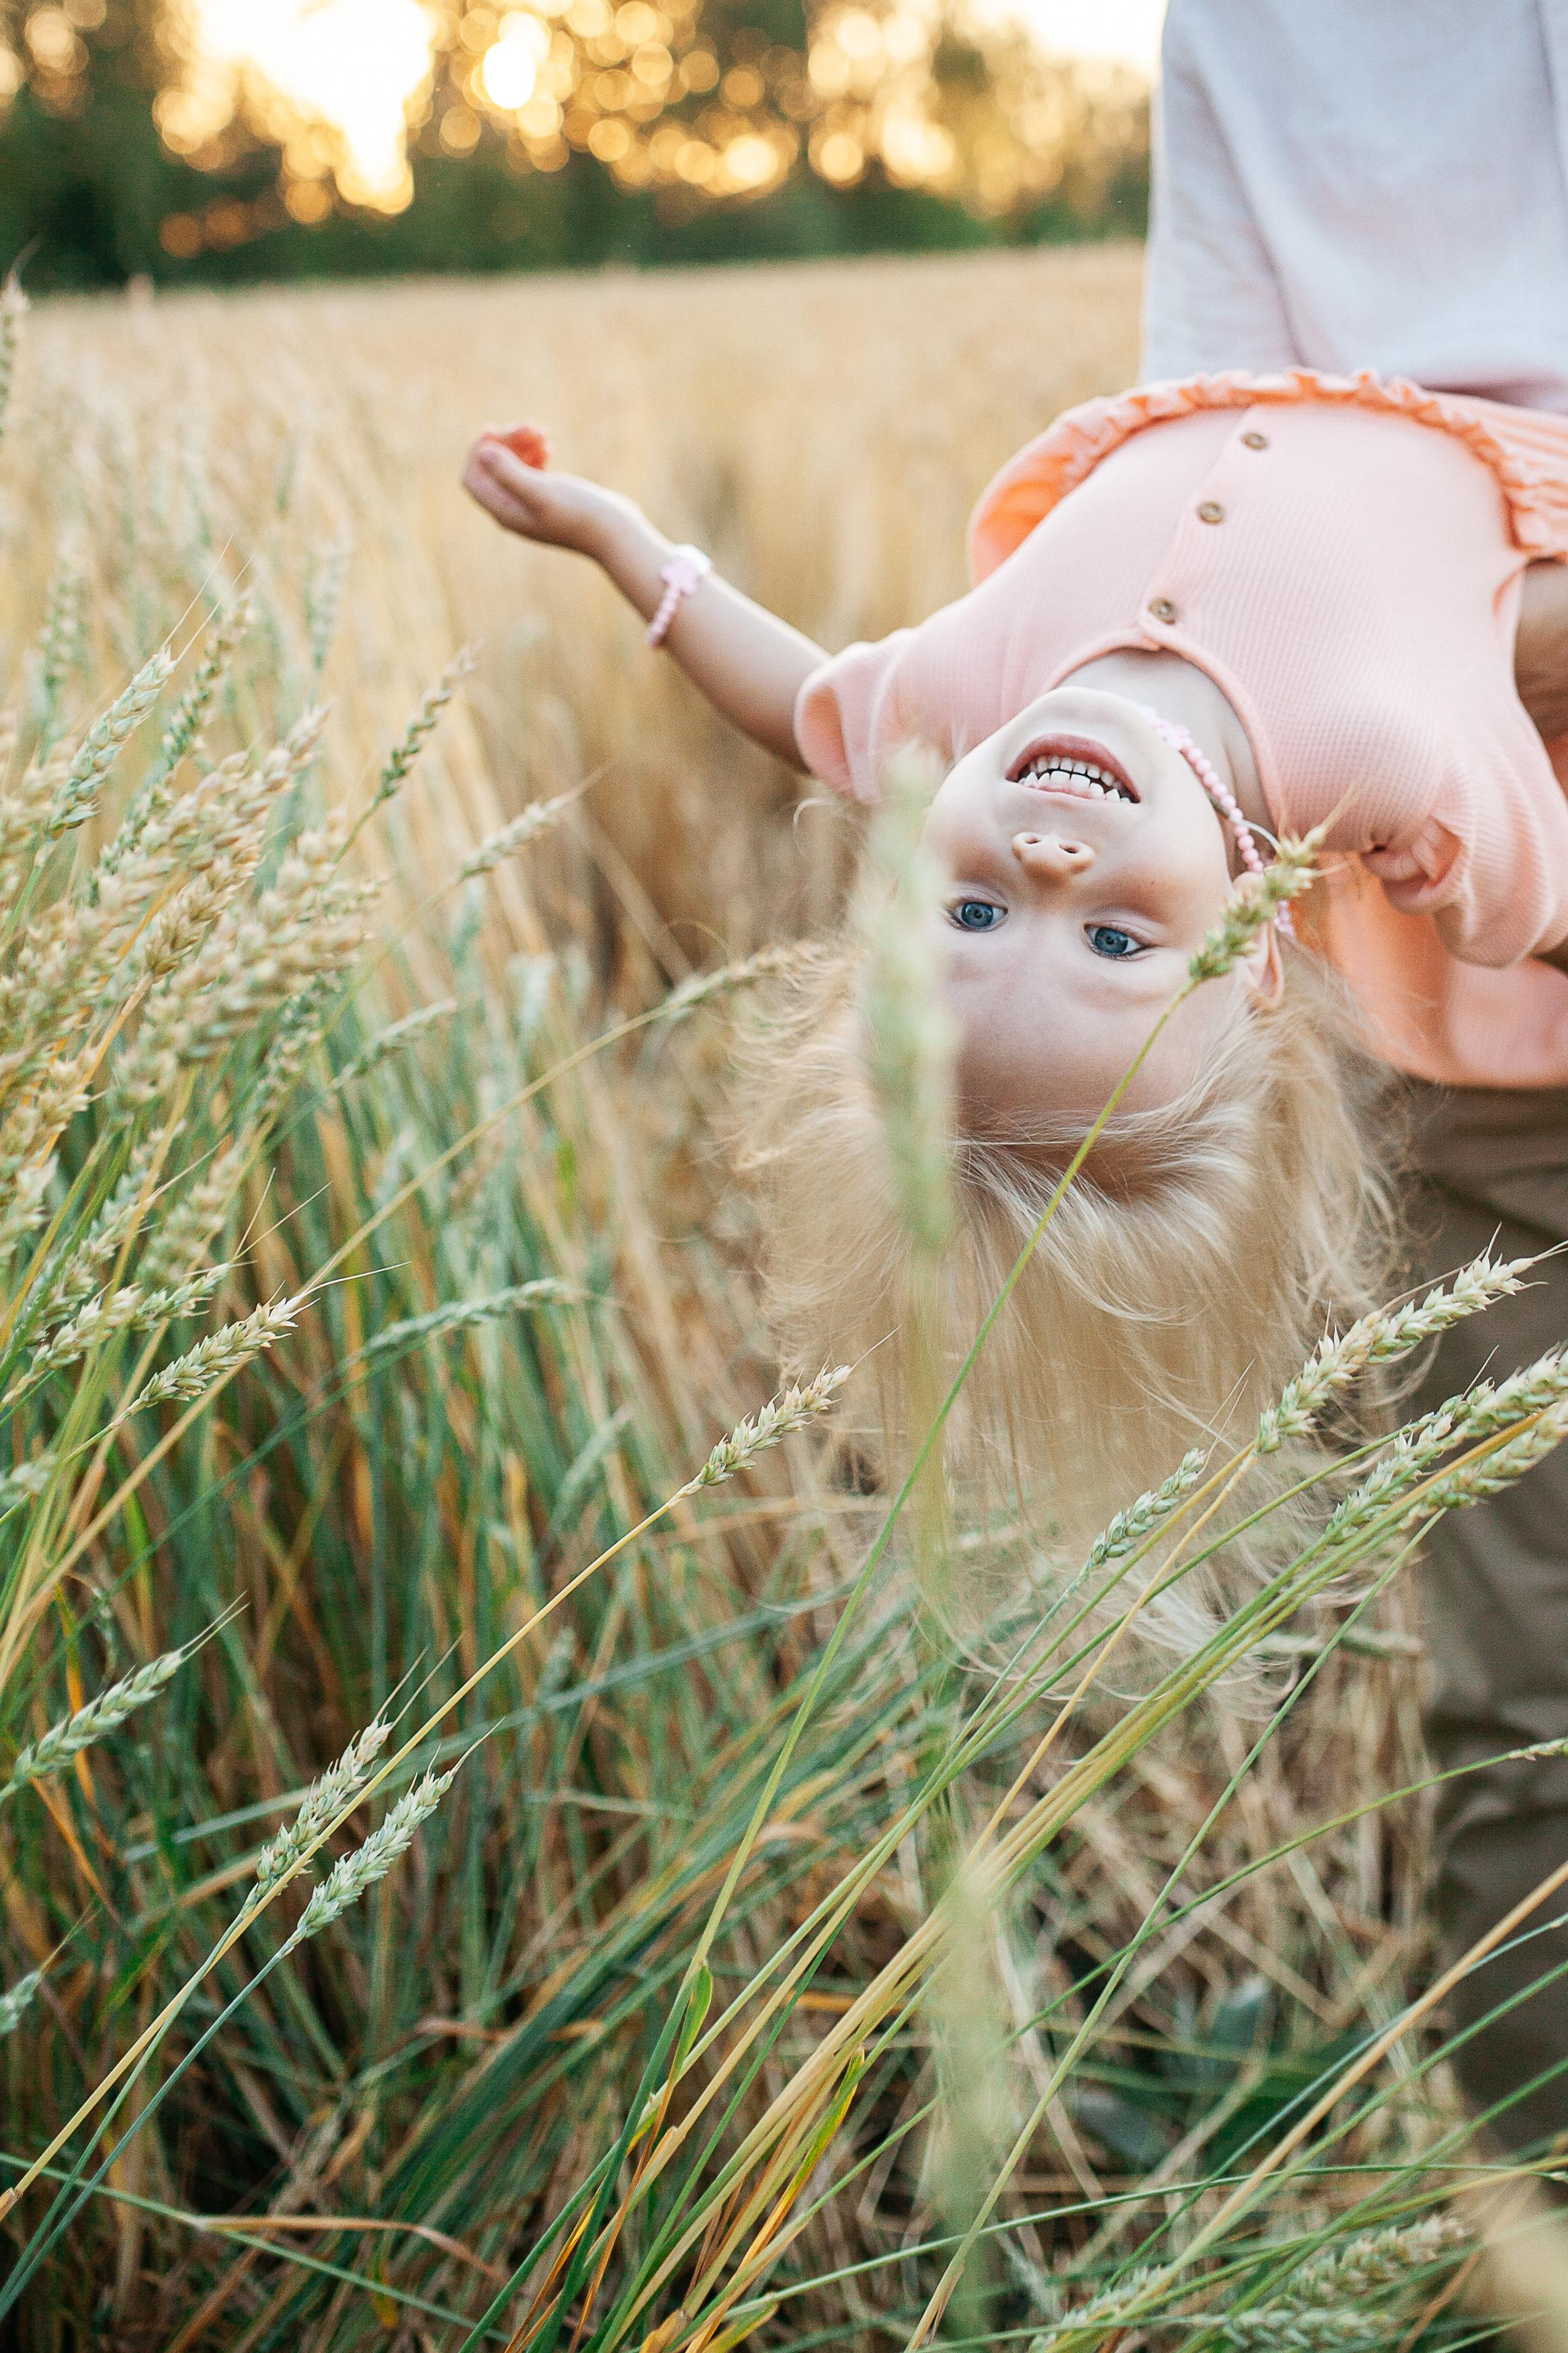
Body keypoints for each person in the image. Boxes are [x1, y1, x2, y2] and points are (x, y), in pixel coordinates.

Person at [1142, 0, 1568, 2161]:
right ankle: (1539, 2227)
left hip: (1470, 978)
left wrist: (1413, 611)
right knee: (1536, 1690)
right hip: (1487, 1028)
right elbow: (1197, 491)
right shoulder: (1247, 25)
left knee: (1537, 1688)